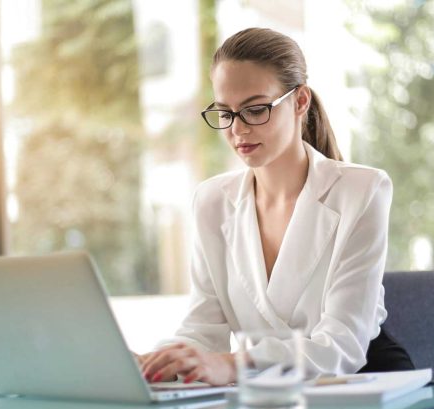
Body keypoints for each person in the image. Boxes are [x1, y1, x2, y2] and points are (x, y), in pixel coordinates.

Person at [139, 27, 413, 386]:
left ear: (300, 102)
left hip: (362, 384)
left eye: (255, 110)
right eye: (225, 112)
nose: (238, 129)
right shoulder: (212, 202)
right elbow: (202, 329)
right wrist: (155, 362)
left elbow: (342, 346)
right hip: (269, 394)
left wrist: (235, 366)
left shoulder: (362, 190)